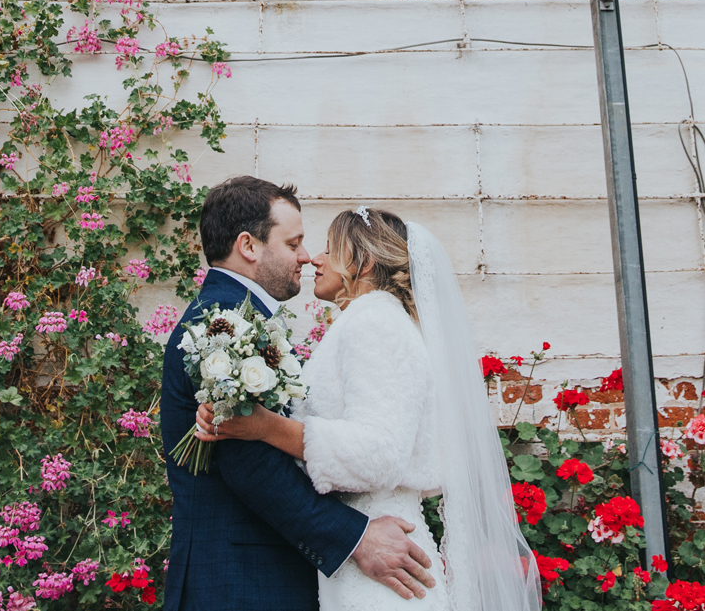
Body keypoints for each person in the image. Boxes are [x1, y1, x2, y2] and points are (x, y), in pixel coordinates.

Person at [196, 206, 541, 611]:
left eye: (330, 250)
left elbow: (377, 453)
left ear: (365, 262)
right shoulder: (366, 321)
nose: (314, 259)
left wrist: (266, 428)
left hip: (384, 559)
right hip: (369, 556)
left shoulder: (374, 322)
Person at [159, 176, 438, 611]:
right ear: (249, 246)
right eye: (294, 244)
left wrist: (266, 426)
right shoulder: (221, 326)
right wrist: (355, 537)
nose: (307, 258)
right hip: (239, 580)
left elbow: (265, 436)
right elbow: (250, 463)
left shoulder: (239, 320)